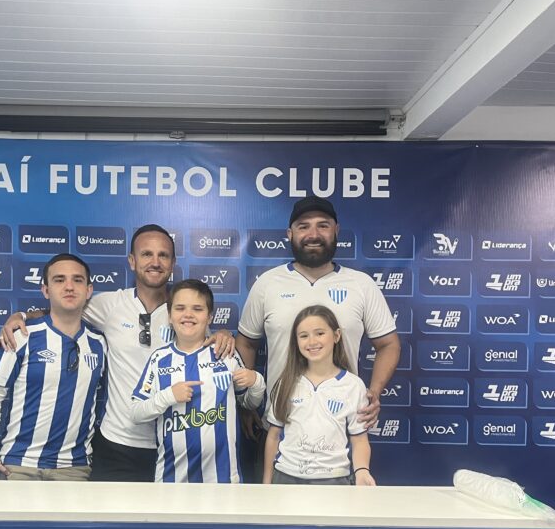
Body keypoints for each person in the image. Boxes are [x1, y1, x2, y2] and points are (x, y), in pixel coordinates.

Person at [0, 225, 234, 481]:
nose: (155, 262)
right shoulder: (109, 304)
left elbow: (207, 345)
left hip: (174, 443)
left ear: (173, 263)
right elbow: (63, 310)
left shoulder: (184, 312)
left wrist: (223, 333)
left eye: (163, 255)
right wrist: (21, 316)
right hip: (117, 444)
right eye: (146, 254)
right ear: (132, 261)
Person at [235, 196, 401, 429]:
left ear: (336, 231)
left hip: (343, 425)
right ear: (290, 234)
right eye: (303, 226)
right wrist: (246, 402)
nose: (313, 235)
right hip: (281, 424)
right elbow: (246, 343)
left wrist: (374, 391)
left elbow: (389, 344)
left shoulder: (361, 284)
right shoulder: (267, 283)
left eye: (323, 225)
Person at [0, 253, 106, 481]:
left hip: (74, 468)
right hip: (19, 465)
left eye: (77, 280)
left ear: (89, 290)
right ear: (46, 290)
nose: (69, 287)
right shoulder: (21, 336)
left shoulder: (99, 343)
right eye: (59, 280)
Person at [130, 279, 264, 483]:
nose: (188, 315)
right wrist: (168, 396)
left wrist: (256, 382)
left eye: (197, 309)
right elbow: (136, 412)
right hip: (171, 480)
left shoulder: (225, 354)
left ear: (210, 317)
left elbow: (250, 403)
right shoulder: (159, 359)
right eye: (180, 308)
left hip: (223, 480)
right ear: (170, 316)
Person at [263, 305, 375, 486]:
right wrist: (267, 483)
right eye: (304, 336)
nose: (312, 341)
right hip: (285, 478)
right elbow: (273, 436)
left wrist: (362, 471)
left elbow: (359, 439)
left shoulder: (353, 385)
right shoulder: (287, 382)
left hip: (335, 480)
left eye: (320, 333)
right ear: (296, 341)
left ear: (336, 336)